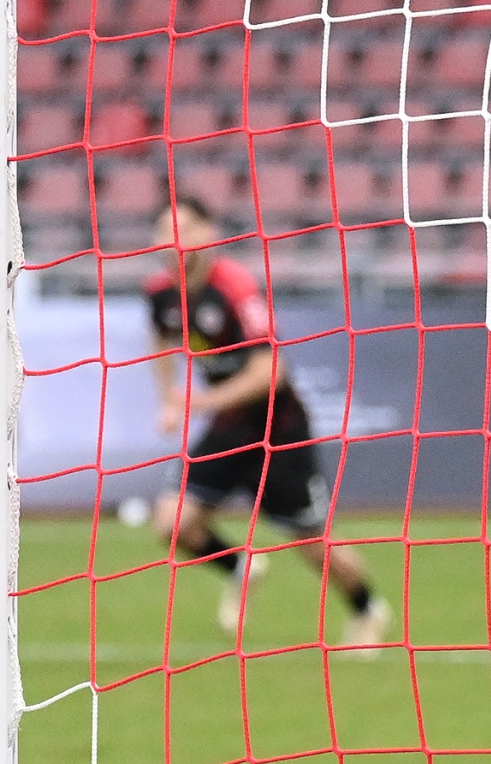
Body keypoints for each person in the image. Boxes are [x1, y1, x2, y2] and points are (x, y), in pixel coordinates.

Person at [145, 196, 390, 651]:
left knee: (312, 544)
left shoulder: (235, 288)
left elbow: (271, 372)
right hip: (229, 426)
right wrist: (168, 400)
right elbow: (160, 338)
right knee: (172, 522)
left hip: (279, 429)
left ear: (208, 234)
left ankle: (367, 607)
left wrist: (201, 401)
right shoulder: (160, 292)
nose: (173, 239)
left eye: (184, 228)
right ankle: (241, 568)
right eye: (164, 229)